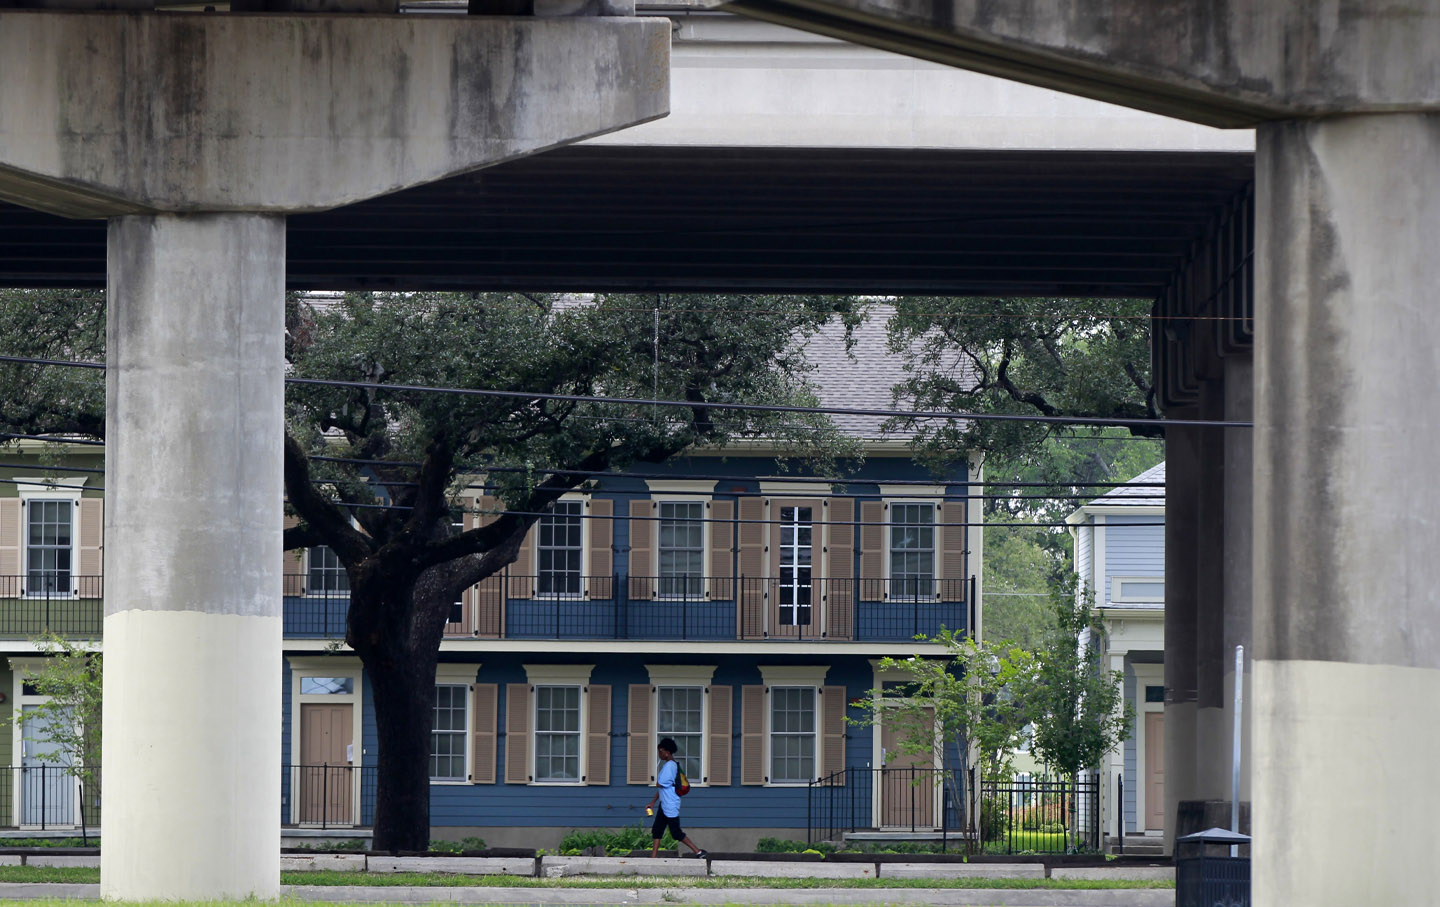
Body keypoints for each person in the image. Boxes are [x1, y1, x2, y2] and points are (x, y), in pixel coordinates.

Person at [645, 737, 708, 859]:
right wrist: (652, 803)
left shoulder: (670, 766)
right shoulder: (669, 765)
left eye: (660, 751)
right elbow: (662, 788)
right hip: (664, 804)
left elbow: (660, 783)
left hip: (670, 804)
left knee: (676, 833)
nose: (659, 754)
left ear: (667, 752)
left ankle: (698, 852)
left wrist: (656, 779)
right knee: (657, 830)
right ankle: (653, 858)